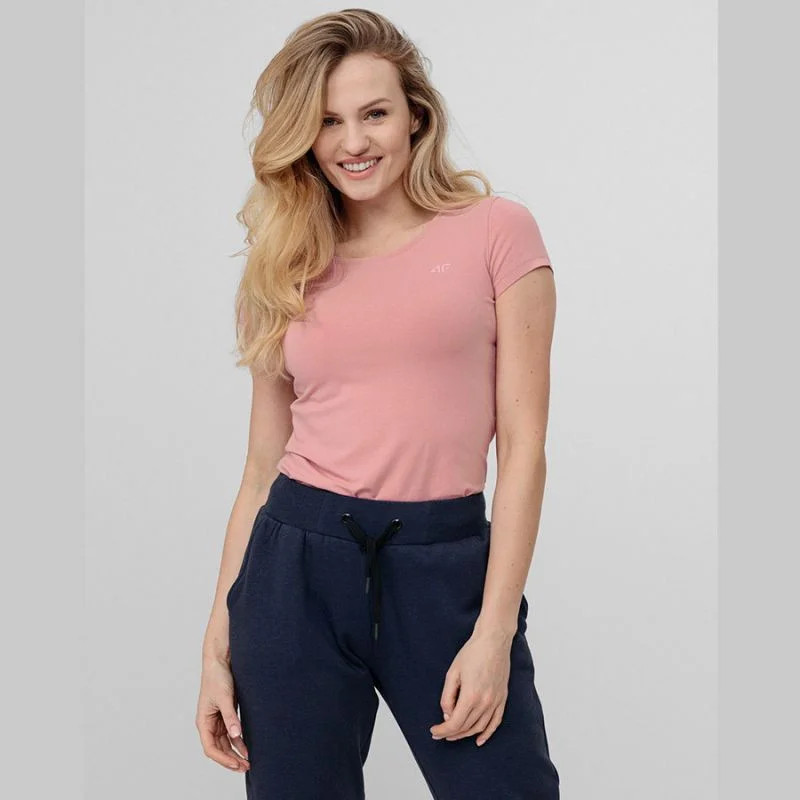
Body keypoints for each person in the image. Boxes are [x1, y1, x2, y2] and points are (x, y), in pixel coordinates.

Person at [196, 8, 560, 799]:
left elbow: (524, 448)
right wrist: (216, 644)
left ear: (415, 116)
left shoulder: (497, 233)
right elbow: (260, 467)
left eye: (374, 114)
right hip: (294, 567)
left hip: (443, 566)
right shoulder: (282, 263)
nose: (352, 142)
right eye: (327, 121)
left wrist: (494, 631)